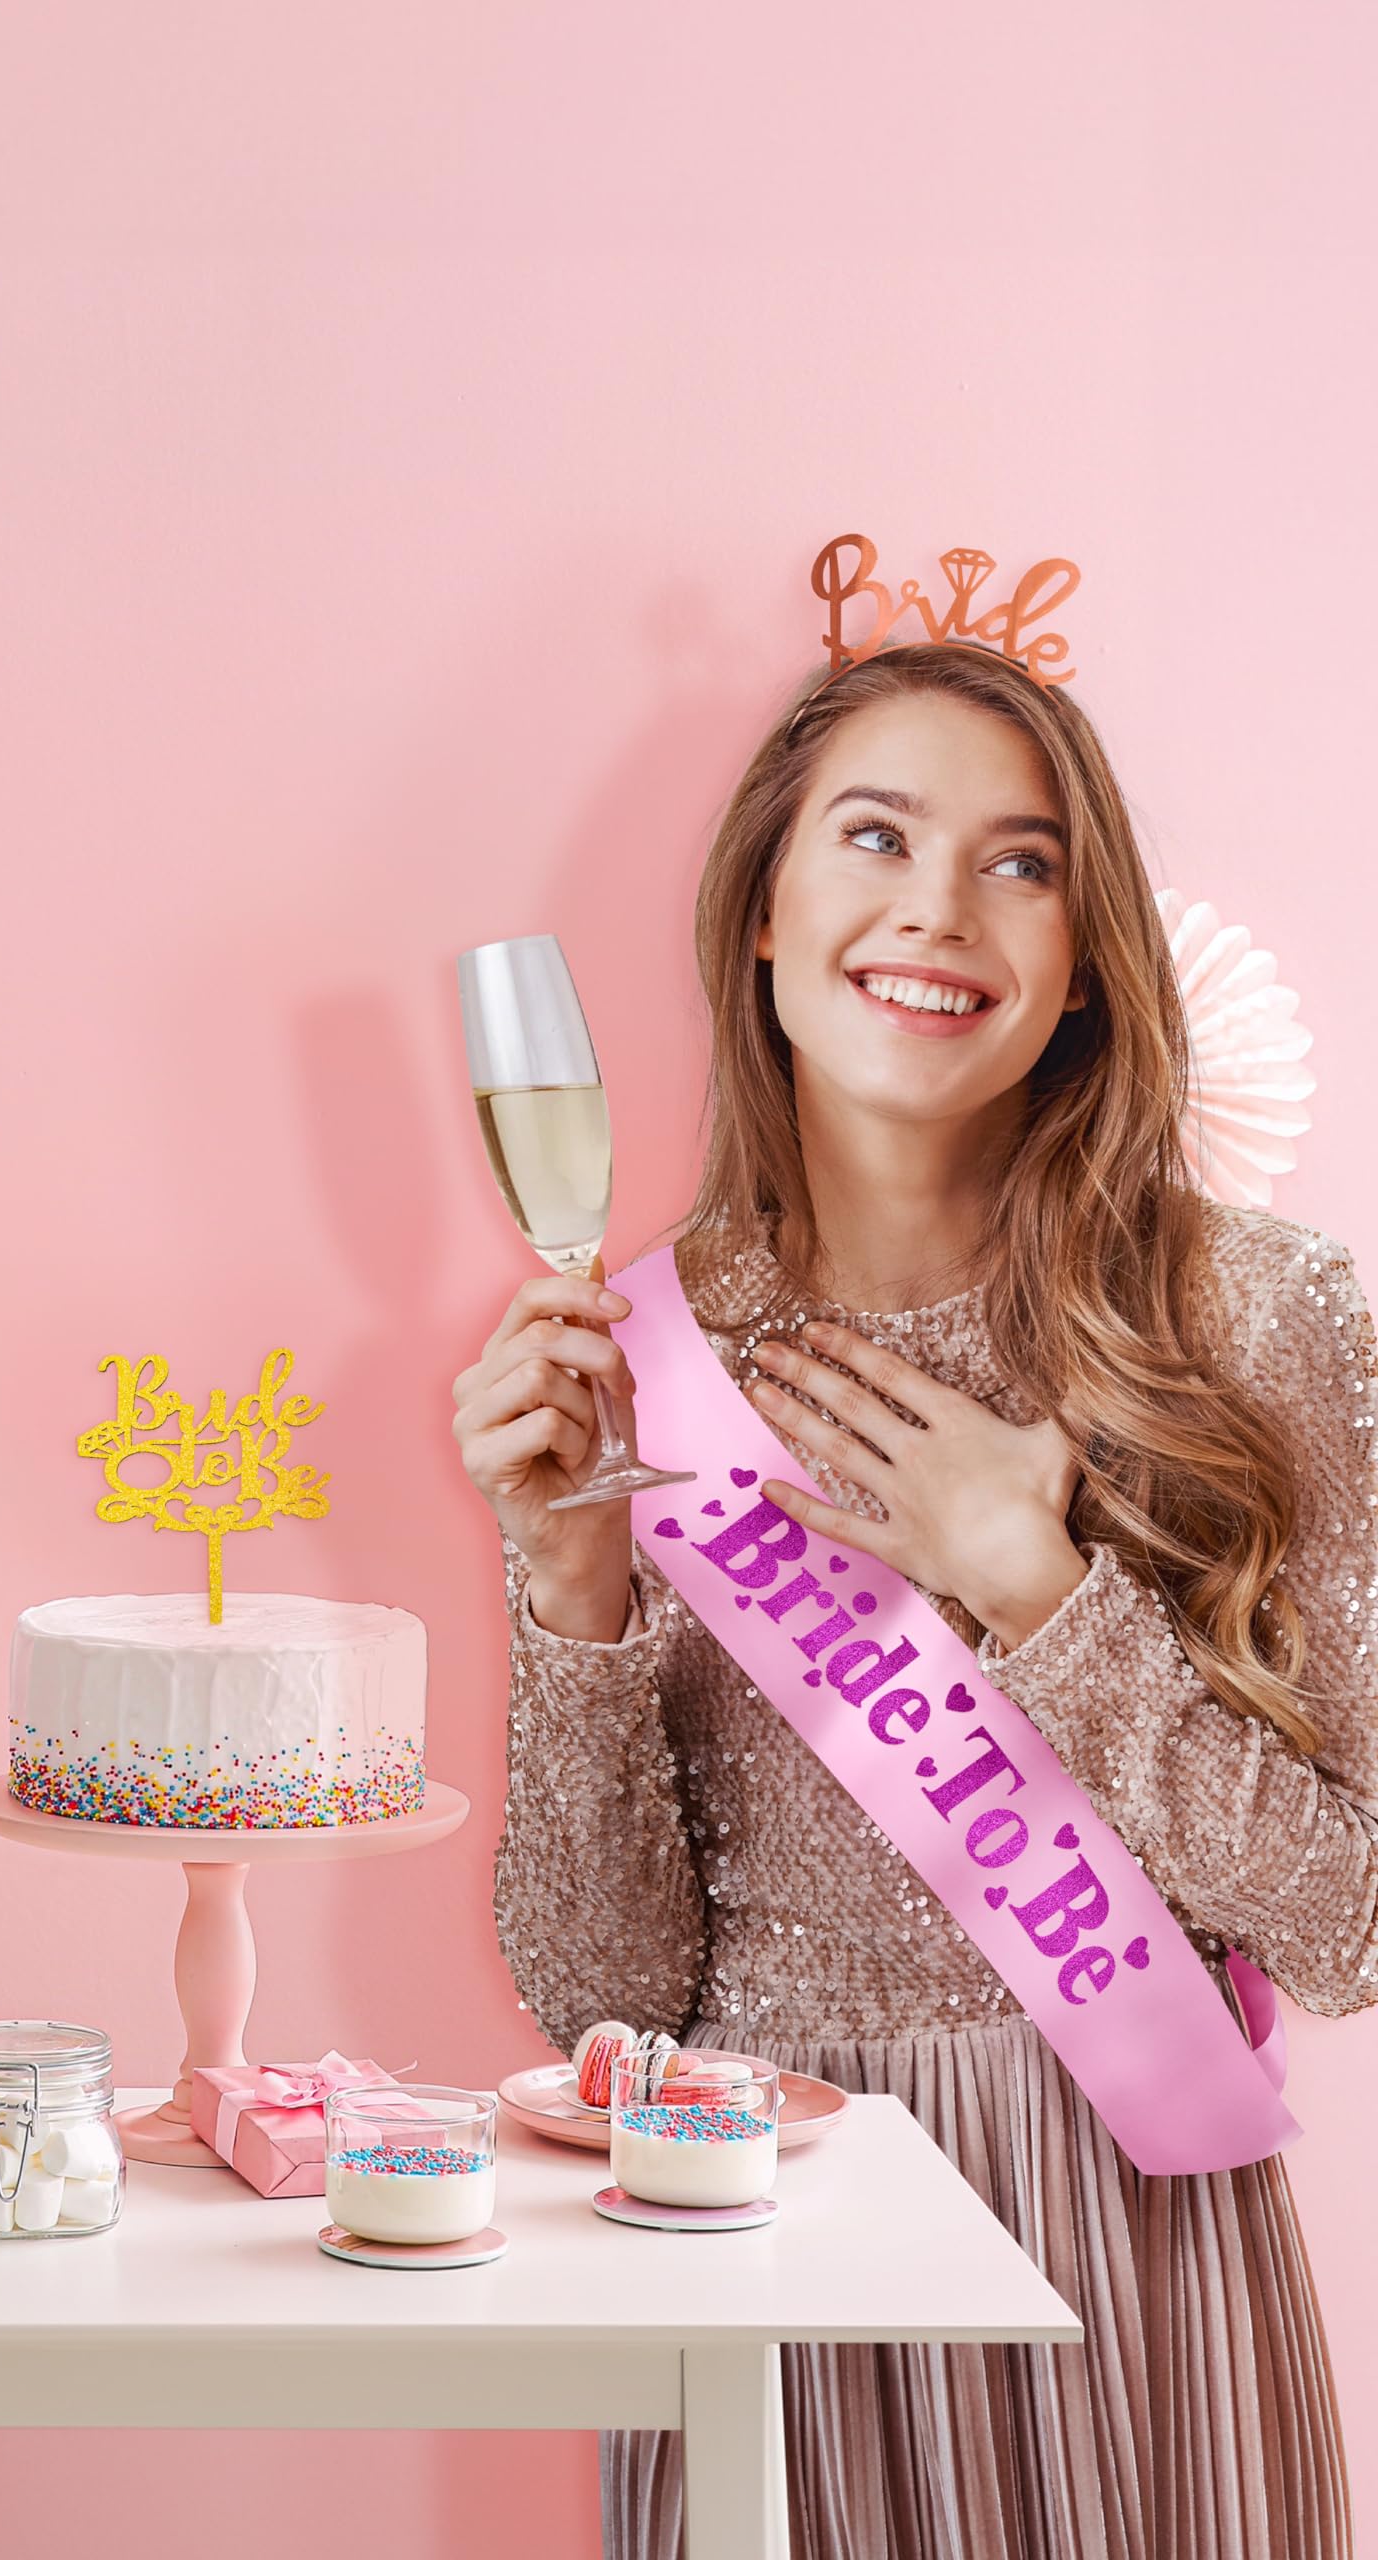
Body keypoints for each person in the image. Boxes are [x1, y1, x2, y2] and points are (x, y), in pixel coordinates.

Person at [453, 636, 1371, 2558]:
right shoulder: (641, 1363)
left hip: (1139, 2237)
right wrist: (575, 1596)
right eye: (877, 836)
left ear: (1087, 956)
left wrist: (1038, 1594)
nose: (939, 910)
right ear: (767, 915)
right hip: (753, 2229)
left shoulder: (1260, 1327)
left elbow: (1354, 1916)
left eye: (1022, 863)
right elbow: (601, 1995)